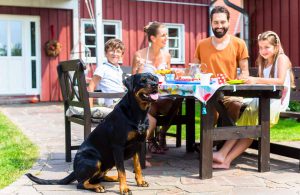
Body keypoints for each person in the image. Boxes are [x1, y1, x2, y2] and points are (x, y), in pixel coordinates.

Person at [212, 31, 294, 169]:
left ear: (276, 46)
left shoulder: (282, 58)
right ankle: (223, 157)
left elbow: (279, 81)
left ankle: (224, 157)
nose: (263, 51)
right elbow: (264, 85)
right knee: (245, 122)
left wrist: (255, 79)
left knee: (251, 126)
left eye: (267, 47)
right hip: (264, 100)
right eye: (261, 48)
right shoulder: (264, 61)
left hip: (275, 103)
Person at [132, 21, 182, 154]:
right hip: (147, 97)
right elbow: (133, 81)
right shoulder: (140, 54)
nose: (167, 38)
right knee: (150, 106)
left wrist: (173, 74)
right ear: (153, 38)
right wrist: (140, 67)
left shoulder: (167, 55)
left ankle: (162, 133)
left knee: (177, 102)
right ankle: (149, 141)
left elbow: (167, 76)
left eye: (167, 35)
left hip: (164, 95)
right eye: (163, 35)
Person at [194, 5, 249, 123]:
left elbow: (245, 72)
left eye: (223, 22)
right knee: (209, 111)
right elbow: (195, 69)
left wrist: (242, 77)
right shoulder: (201, 44)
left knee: (235, 104)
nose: (219, 26)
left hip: (230, 92)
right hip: (208, 92)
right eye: (216, 22)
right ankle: (212, 140)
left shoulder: (239, 44)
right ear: (211, 23)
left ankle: (224, 139)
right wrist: (195, 74)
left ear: (229, 22)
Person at [88, 38, 126, 108]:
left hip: (122, 100)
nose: (115, 54)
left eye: (118, 51)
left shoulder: (118, 69)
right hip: (115, 104)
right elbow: (91, 86)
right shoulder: (102, 68)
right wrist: (90, 108)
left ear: (122, 55)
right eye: (111, 51)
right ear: (106, 54)